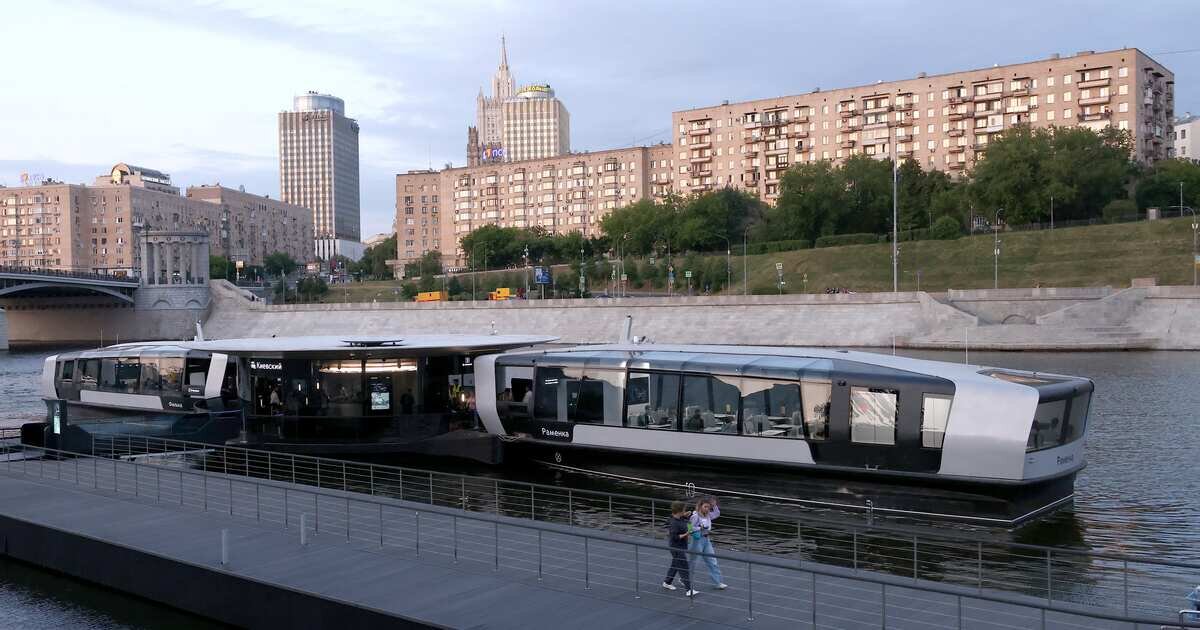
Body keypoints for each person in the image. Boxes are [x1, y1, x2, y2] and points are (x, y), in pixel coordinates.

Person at [688, 497, 727, 590]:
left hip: (706, 540)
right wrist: (699, 528)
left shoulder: (709, 515)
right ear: (700, 506)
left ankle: (718, 582)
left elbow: (717, 514)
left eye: (708, 507)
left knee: (712, 561)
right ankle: (685, 579)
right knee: (694, 563)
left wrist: (714, 505)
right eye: (705, 507)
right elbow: (689, 527)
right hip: (697, 541)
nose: (707, 509)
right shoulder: (695, 516)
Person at [662, 501, 698, 597]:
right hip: (676, 547)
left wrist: (687, 516)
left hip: (682, 546)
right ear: (679, 511)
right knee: (683, 567)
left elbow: (688, 524)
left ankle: (667, 582)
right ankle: (689, 589)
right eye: (684, 510)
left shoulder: (681, 518)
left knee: (675, 564)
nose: (685, 511)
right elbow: (675, 537)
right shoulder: (674, 523)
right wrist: (687, 534)